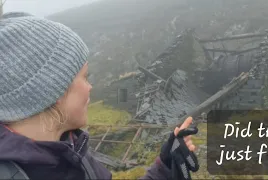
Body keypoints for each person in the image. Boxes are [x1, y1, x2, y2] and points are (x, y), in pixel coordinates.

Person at [0, 13, 198, 179]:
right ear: (51, 89)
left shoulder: (73, 149)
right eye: (85, 77)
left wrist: (163, 167)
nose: (90, 87)